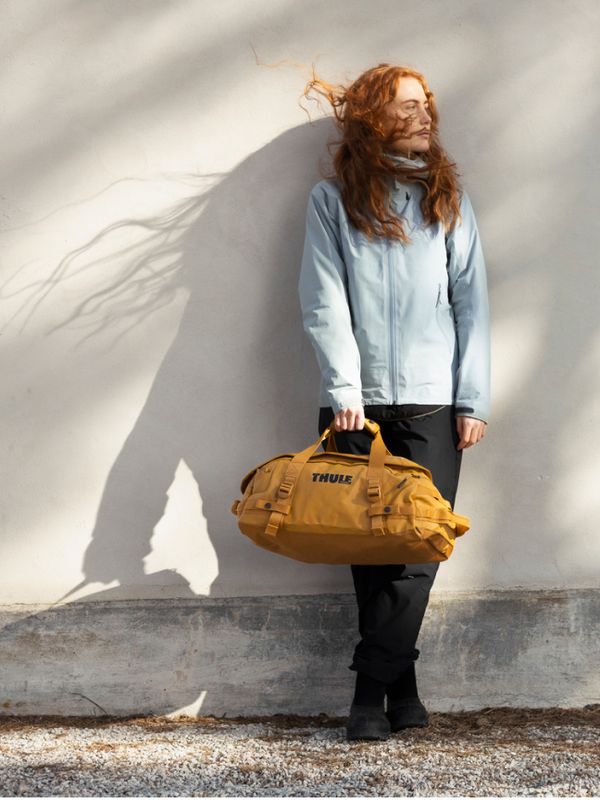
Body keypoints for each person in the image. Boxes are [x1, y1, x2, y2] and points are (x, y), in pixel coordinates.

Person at [298, 63, 490, 741]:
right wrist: (344, 391)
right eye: (408, 105)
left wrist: (472, 398)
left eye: (426, 105)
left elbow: (473, 306)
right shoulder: (333, 201)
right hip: (356, 406)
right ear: (375, 117)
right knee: (372, 555)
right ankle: (401, 692)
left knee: (419, 550)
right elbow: (324, 302)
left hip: (435, 404)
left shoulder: (448, 202)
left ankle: (366, 690)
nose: (425, 116)